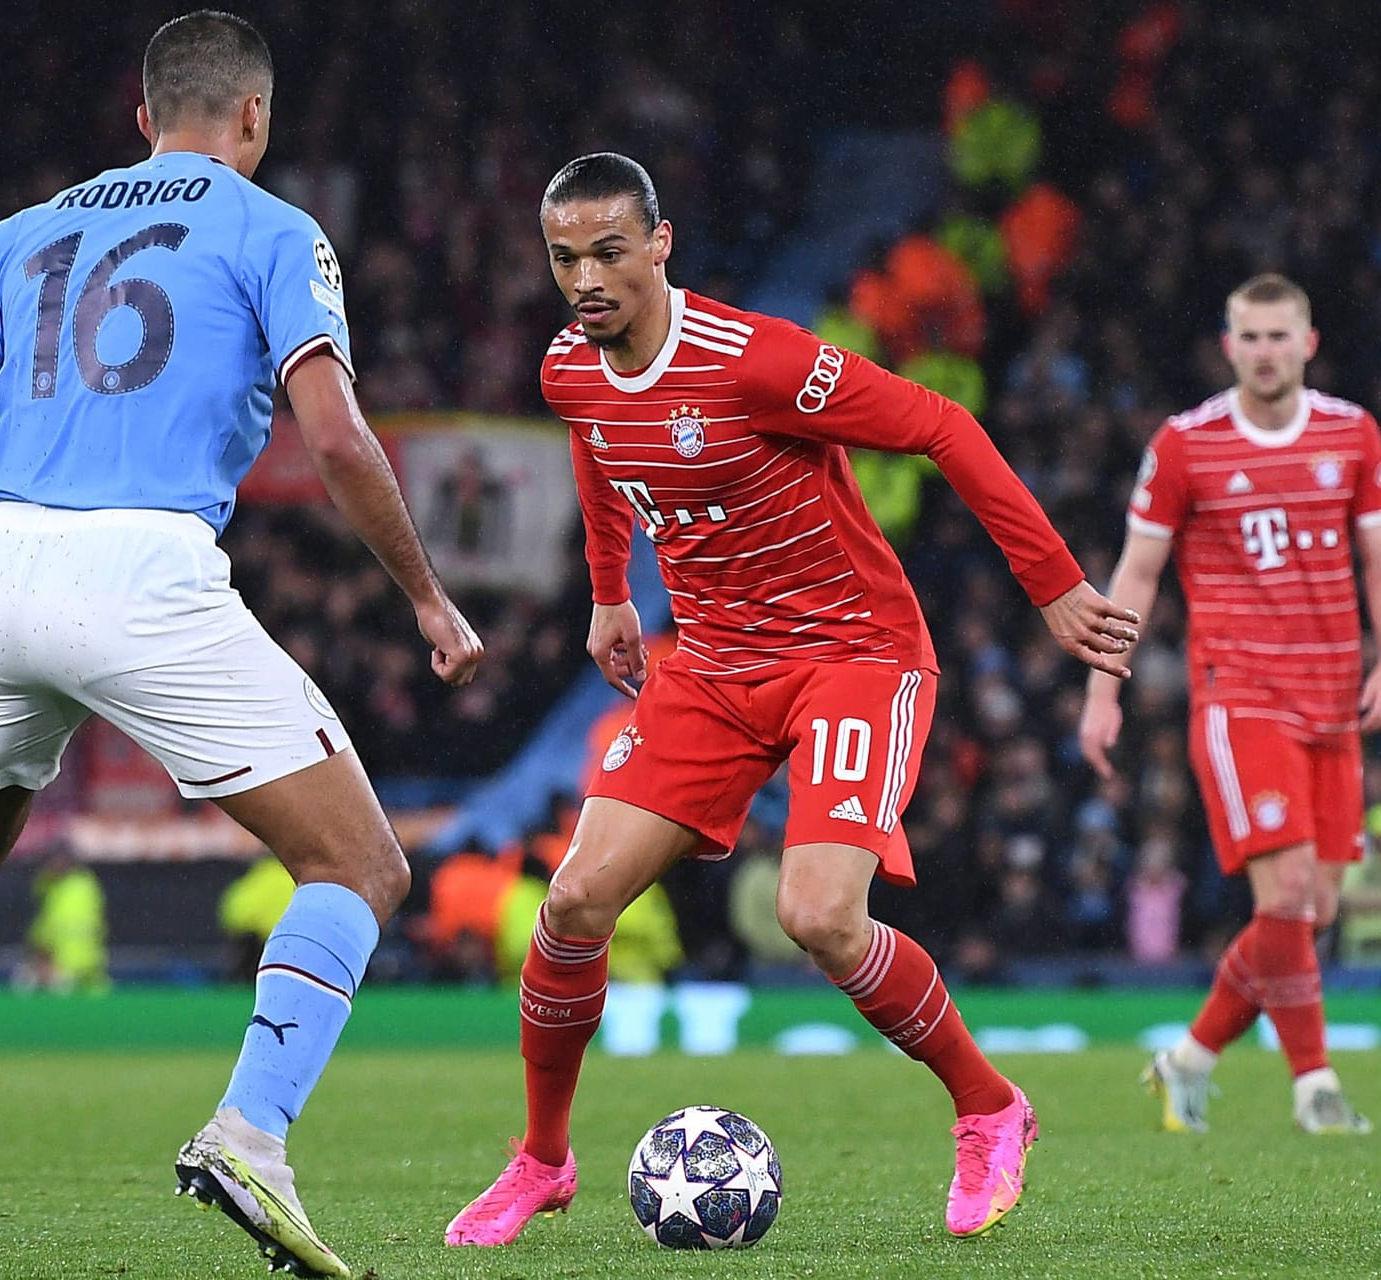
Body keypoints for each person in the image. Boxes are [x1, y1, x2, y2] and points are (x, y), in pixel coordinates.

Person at [0, 12, 480, 1278]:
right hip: (146, 569)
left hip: (5, 567)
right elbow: (342, 440)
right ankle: (250, 1129)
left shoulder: (24, 235)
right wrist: (426, 595)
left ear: (141, 119)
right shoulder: (273, 231)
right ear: (254, 117)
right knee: (360, 865)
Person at [445, 153, 1137, 1247]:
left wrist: (1052, 586)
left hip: (852, 652)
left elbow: (942, 428)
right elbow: (599, 452)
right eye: (565, 256)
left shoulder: (757, 361)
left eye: (609, 253)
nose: (586, 278)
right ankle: (541, 1159)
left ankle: (990, 1103)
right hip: (713, 662)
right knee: (571, 904)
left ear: (660, 244)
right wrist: (607, 595)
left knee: (816, 912)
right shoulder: (569, 370)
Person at [1080, 273, 1375, 1136]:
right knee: (1283, 894)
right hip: (1241, 695)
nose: (1266, 352)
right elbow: (1135, 574)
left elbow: (1375, 559)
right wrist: (1104, 692)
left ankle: (1189, 1059)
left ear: (1309, 342)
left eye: (1281, 336)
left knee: (1311, 912)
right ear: (1228, 342)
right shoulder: (1185, 445)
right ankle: (1314, 1086)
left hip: (1333, 702)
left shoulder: (1353, 434)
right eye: (1250, 336)